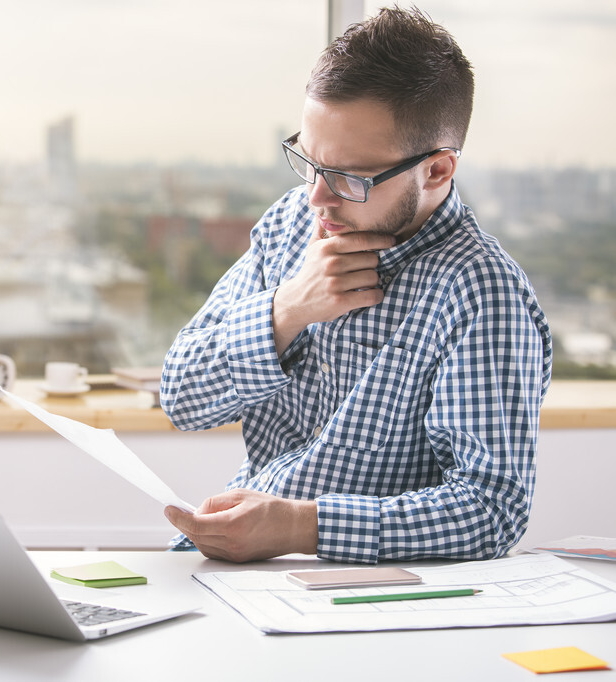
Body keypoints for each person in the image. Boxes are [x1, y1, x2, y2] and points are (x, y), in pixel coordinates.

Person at [160, 6, 552, 564]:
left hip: (370, 600)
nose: (318, 197)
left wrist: (300, 528)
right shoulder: (294, 221)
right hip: (239, 571)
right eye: (310, 161)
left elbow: (490, 511)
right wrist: (286, 310)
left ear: (437, 170)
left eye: (348, 176)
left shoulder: (481, 293)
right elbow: (180, 399)